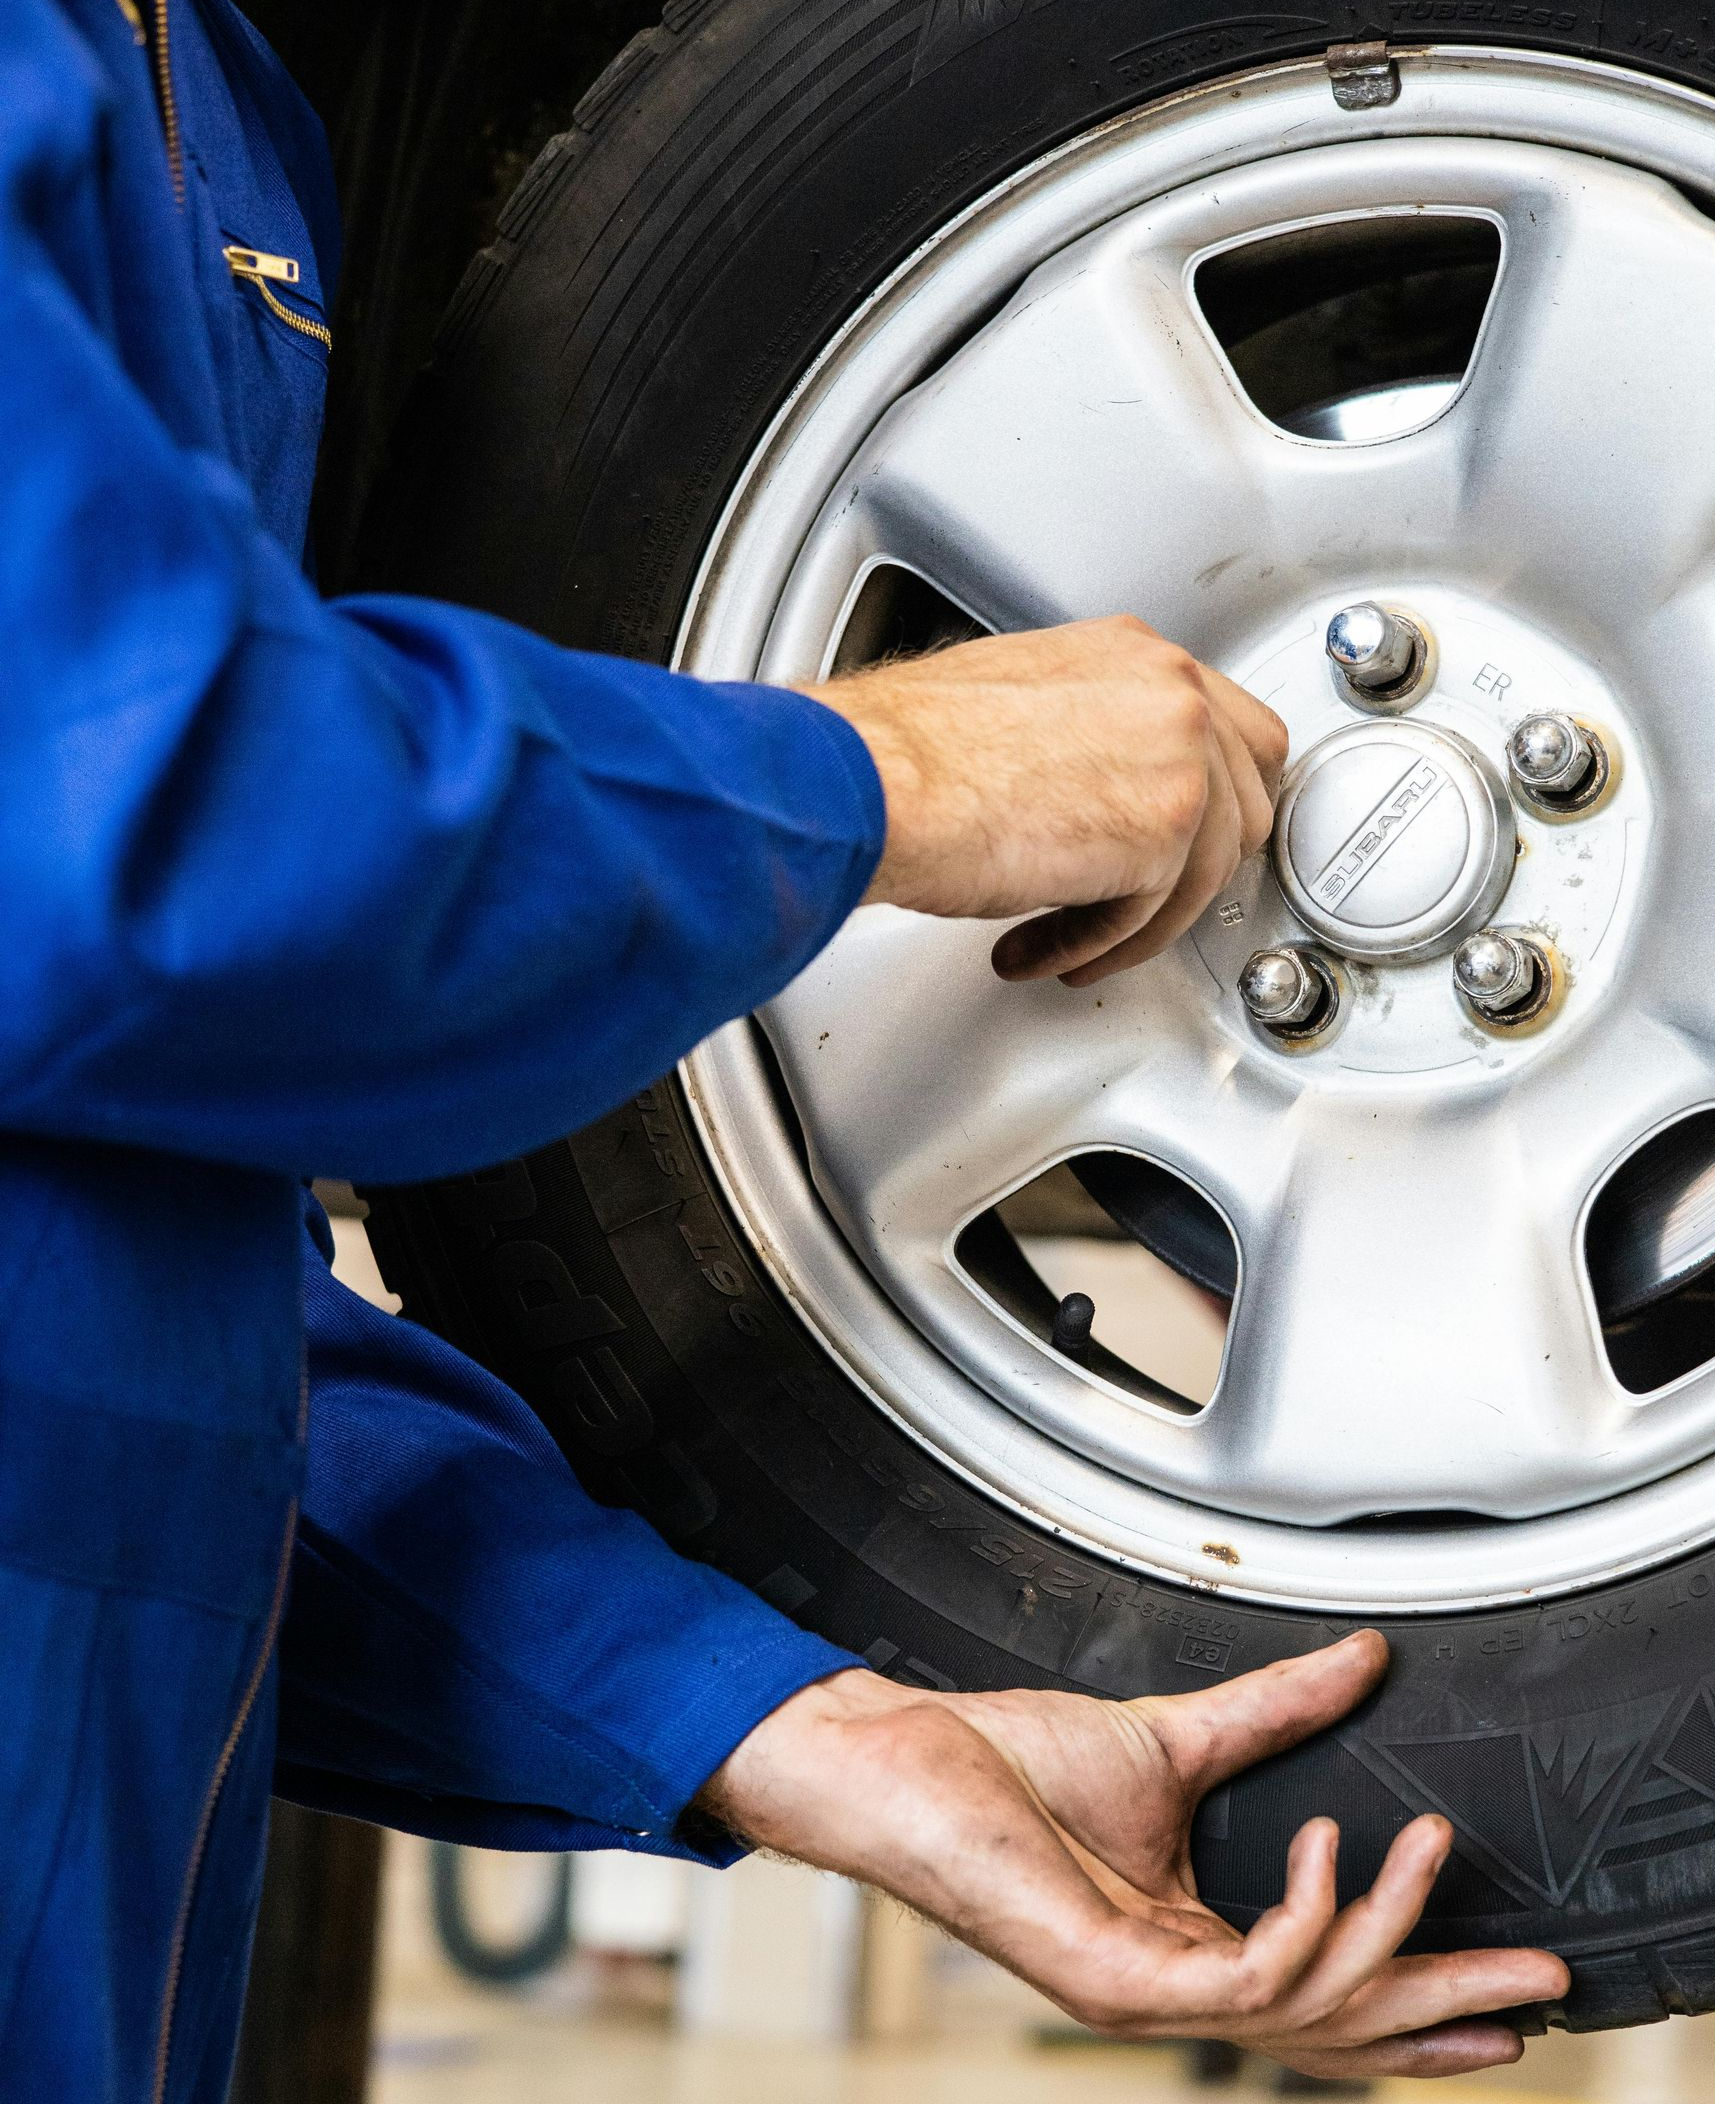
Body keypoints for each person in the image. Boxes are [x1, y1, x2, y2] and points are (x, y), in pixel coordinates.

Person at [0, 3, 1569, 2096]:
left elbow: (137, 1287)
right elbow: (116, 822)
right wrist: (895, 774)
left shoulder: (232, 114)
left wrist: (792, 1721)